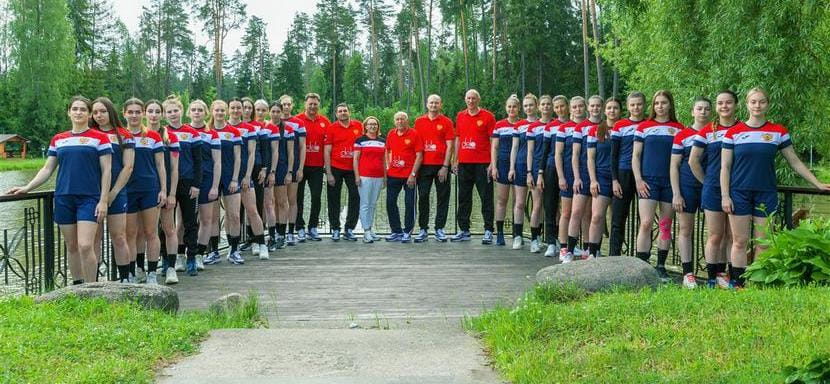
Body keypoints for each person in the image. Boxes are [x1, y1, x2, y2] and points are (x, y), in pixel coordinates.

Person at [721, 87, 830, 288]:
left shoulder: (777, 131)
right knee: (740, 241)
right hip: (739, 193)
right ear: (747, 105)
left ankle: (757, 283)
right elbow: (725, 167)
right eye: (753, 102)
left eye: (762, 102)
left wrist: (817, 183)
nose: (757, 106)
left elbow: (795, 162)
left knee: (763, 242)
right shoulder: (733, 132)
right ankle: (737, 284)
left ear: (768, 105)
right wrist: (725, 196)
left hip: (766, 192)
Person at [8, 96, 112, 285]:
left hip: (89, 198)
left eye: (83, 109)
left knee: (85, 245)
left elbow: (107, 171)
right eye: (75, 109)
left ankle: (92, 288)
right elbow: (47, 169)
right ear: (69, 112)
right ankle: (78, 286)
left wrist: (103, 200)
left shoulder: (100, 138)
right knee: (72, 246)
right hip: (64, 197)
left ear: (89, 115)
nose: (78, 112)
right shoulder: (59, 139)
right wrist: (27, 187)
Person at [632, 90, 683, 279]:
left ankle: (661, 266)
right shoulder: (644, 127)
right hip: (648, 181)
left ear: (670, 105)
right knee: (645, 223)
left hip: (670, 184)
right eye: (656, 103)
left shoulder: (679, 128)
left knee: (665, 225)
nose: (660, 106)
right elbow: (636, 156)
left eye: (663, 103)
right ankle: (642, 266)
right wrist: (638, 180)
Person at [690, 90, 738, 288]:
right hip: (713, 189)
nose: (724, 106)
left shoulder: (743, 129)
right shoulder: (708, 131)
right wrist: (707, 181)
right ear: (717, 107)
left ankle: (728, 275)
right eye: (720, 103)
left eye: (728, 103)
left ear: (736, 105)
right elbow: (693, 161)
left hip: (737, 188)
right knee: (716, 235)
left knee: (732, 236)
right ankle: (711, 278)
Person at [90, 97, 134, 283]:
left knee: (119, 236)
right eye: (95, 112)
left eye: (103, 111)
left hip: (116, 192)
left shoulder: (124, 135)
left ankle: (125, 279)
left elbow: (128, 167)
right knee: (94, 239)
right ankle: (94, 281)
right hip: (92, 193)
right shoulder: (89, 134)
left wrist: (113, 193)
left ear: (111, 112)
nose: (99, 115)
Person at [124, 98, 167, 284]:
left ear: (143, 113)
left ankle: (151, 273)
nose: (134, 115)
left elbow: (160, 164)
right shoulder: (120, 135)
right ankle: (133, 272)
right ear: (124, 113)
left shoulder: (152, 136)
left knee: (151, 232)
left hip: (149, 188)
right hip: (127, 190)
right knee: (131, 234)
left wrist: (163, 189)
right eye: (130, 112)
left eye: (137, 112)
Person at [670, 97, 711, 288]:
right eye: (699, 108)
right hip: (687, 187)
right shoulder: (682, 135)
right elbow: (674, 166)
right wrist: (676, 193)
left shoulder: (716, 133)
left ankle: (716, 273)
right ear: (693, 111)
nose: (703, 112)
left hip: (711, 188)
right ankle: (688, 273)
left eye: (706, 109)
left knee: (715, 232)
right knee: (685, 229)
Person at [452, 89, 496, 243]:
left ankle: (489, 230)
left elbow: (493, 141)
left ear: (478, 100)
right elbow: (458, 138)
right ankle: (464, 230)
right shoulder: (460, 116)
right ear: (465, 100)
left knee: (486, 198)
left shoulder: (488, 116)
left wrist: (492, 163)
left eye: (473, 98)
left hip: (483, 163)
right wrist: (455, 159)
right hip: (464, 163)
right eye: (468, 98)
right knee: (464, 198)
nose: (471, 101)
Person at [165, 96, 203, 278]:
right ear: (165, 114)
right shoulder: (162, 133)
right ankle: (169, 259)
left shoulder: (191, 133)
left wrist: (197, 184)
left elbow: (198, 161)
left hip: (188, 182)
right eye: (169, 112)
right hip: (167, 184)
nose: (173, 114)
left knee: (190, 222)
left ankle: (191, 258)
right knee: (166, 225)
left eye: (175, 110)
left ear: (181, 111)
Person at [228, 98, 268, 258]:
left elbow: (252, 153)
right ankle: (233, 248)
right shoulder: (222, 127)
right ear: (229, 109)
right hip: (228, 176)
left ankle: (261, 243)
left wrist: (246, 176)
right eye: (235, 107)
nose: (238, 110)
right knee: (233, 214)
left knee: (253, 210)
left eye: (240, 108)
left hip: (245, 174)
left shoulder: (250, 129)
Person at [206, 100, 244, 265]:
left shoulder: (234, 131)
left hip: (230, 178)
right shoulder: (206, 131)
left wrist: (235, 178)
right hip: (211, 178)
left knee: (234, 215)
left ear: (226, 111)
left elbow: (238, 158)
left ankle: (234, 250)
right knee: (213, 217)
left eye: (223, 110)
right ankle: (214, 251)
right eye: (217, 110)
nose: (220, 113)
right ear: (212, 111)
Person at [609, 92, 647, 256]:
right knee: (618, 218)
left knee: (645, 220)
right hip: (623, 174)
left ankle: (641, 257)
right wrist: (614, 180)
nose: (636, 107)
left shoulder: (649, 124)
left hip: (645, 175)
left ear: (644, 105)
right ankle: (614, 256)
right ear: (628, 106)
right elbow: (613, 155)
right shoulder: (620, 125)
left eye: (639, 104)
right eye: (632, 105)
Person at [413, 95, 454, 242]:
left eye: (436, 102)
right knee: (423, 197)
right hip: (423, 166)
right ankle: (423, 229)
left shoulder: (447, 122)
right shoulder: (418, 122)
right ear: (427, 104)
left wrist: (445, 166)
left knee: (443, 197)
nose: (434, 105)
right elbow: (415, 146)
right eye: (431, 102)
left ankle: (439, 229)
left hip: (441, 166)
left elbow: (450, 146)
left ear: (440, 105)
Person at [566, 95, 602, 261]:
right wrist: (577, 177)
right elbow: (574, 155)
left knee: (594, 215)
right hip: (583, 174)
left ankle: (591, 249)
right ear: (588, 107)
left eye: (598, 106)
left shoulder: (606, 126)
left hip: (600, 175)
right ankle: (569, 251)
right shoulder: (581, 127)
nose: (595, 108)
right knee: (577, 212)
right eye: (592, 106)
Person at [150, 99, 181, 285]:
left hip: (166, 187)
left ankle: (171, 267)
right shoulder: (139, 134)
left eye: (157, 111)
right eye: (150, 111)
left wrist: (171, 193)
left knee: (169, 228)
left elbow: (174, 169)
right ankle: (145, 268)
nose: (153, 115)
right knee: (147, 232)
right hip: (146, 189)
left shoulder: (170, 137)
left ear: (162, 115)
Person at [586, 97, 621, 259]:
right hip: (601, 177)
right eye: (609, 108)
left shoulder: (624, 128)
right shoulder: (596, 130)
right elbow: (590, 158)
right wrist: (593, 180)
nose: (612, 111)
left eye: (615, 108)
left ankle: (615, 254)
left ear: (620, 110)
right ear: (604, 111)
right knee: (597, 216)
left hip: (620, 178)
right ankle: (593, 251)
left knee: (616, 219)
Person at [324, 103, 363, 241]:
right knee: (333, 199)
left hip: (353, 169)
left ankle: (349, 229)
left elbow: (363, 147)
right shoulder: (332, 128)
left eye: (345, 110)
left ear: (349, 112)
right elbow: (327, 151)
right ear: (336, 114)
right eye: (340, 111)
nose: (342, 113)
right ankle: (335, 228)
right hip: (336, 167)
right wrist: (328, 173)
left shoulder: (359, 126)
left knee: (355, 197)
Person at [295, 93, 330, 241]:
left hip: (317, 167)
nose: (313, 107)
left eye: (315, 104)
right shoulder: (297, 120)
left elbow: (329, 145)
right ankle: (299, 227)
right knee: (298, 198)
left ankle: (313, 227)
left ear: (319, 105)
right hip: (300, 166)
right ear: (305, 104)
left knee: (316, 198)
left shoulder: (325, 122)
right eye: (310, 104)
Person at [385, 112, 424, 243]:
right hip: (393, 175)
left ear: (407, 121)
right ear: (394, 121)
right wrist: (388, 166)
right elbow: (387, 151)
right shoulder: (391, 133)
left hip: (409, 176)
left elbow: (419, 156)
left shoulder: (414, 134)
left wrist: (413, 174)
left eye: (402, 119)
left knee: (409, 204)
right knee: (390, 203)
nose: (400, 121)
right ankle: (396, 231)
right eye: (397, 119)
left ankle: (407, 231)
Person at [555, 96, 585, 262]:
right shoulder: (564, 128)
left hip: (585, 174)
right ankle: (564, 247)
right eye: (574, 107)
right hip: (567, 173)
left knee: (583, 213)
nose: (578, 109)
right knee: (566, 212)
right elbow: (558, 154)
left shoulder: (589, 126)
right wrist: (561, 176)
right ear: (570, 109)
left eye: (581, 106)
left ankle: (586, 247)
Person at [511, 94, 541, 250]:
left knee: (537, 204)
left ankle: (535, 238)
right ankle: (517, 236)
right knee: (520, 202)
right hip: (520, 165)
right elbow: (514, 147)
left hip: (537, 167)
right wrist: (511, 168)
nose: (529, 108)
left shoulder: (542, 124)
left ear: (536, 106)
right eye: (526, 106)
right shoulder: (519, 125)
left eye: (531, 105)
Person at [540, 95, 568, 257]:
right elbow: (544, 152)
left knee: (567, 209)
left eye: (562, 106)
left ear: (567, 106)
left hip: (570, 169)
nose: (559, 110)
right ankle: (551, 241)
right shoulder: (550, 127)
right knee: (550, 205)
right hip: (551, 168)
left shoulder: (575, 125)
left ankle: (569, 242)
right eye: (556, 107)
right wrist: (540, 173)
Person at [491, 96, 520, 246]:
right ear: (506, 108)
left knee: (518, 201)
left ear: (518, 108)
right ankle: (500, 232)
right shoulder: (499, 125)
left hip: (518, 165)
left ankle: (517, 233)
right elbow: (494, 147)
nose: (511, 109)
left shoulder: (523, 125)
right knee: (502, 200)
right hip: (502, 163)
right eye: (509, 107)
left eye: (514, 107)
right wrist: (494, 166)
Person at [240, 97, 267, 254]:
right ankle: (245, 239)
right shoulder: (232, 126)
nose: (248, 110)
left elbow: (265, 149)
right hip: (237, 169)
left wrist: (265, 168)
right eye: (245, 107)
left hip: (256, 167)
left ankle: (257, 240)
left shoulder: (258, 127)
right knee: (238, 209)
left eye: (250, 108)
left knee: (256, 205)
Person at [353, 116, 386, 243]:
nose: (372, 126)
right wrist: (357, 176)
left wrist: (385, 177)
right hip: (364, 176)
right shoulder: (360, 140)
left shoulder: (382, 141)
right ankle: (366, 231)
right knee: (365, 204)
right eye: (370, 124)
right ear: (365, 126)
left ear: (378, 126)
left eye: (375, 124)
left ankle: (370, 229)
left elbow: (383, 160)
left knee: (372, 204)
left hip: (378, 177)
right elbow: (355, 159)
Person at [279, 95, 306, 245]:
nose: (286, 107)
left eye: (289, 104)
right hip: (278, 167)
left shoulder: (298, 123)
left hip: (294, 166)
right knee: (279, 201)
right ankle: (279, 231)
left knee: (292, 200)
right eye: (284, 104)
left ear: (292, 105)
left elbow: (302, 147)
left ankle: (291, 231)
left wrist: (300, 168)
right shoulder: (274, 122)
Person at [527, 95, 552, 253]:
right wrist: (529, 172)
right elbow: (530, 151)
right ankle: (534, 239)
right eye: (543, 104)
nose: (546, 107)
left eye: (549, 104)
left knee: (553, 207)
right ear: (538, 107)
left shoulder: (558, 125)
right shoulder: (533, 127)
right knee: (537, 205)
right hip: (537, 168)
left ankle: (553, 238)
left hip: (553, 169)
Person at [268, 101, 295, 249]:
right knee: (270, 203)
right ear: (269, 112)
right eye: (273, 111)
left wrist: (290, 171)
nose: (276, 114)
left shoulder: (288, 129)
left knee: (282, 201)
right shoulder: (265, 128)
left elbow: (291, 152)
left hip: (282, 167)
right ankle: (272, 234)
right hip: (268, 168)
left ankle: (281, 235)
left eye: (278, 111)